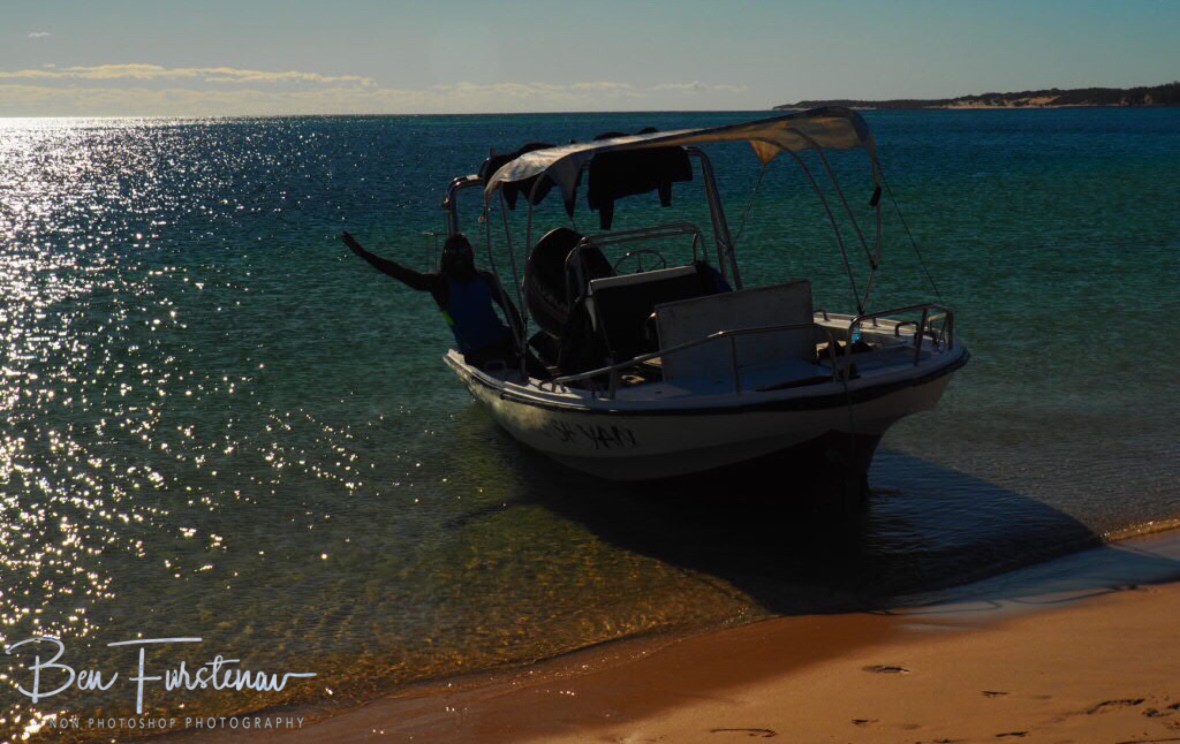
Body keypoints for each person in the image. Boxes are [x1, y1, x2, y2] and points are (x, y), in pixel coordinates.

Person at [342, 231, 545, 377]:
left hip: (503, 344)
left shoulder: (474, 280)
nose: (459, 263)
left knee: (535, 366)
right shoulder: (443, 283)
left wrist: (519, 342)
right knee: (530, 365)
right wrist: (364, 254)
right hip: (482, 351)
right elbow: (399, 272)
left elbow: (512, 313)